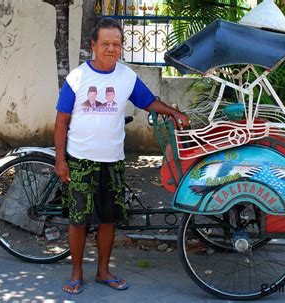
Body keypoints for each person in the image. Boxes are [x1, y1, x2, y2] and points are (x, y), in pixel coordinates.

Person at [54, 18, 190, 295]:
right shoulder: (77, 77)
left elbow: (148, 101)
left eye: (116, 44)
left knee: (108, 219)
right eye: (105, 43)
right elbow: (61, 121)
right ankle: (76, 273)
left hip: (113, 160)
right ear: (93, 45)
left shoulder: (126, 77)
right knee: (78, 219)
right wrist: (60, 159)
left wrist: (173, 112)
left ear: (121, 48)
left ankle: (103, 271)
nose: (110, 49)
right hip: (80, 160)